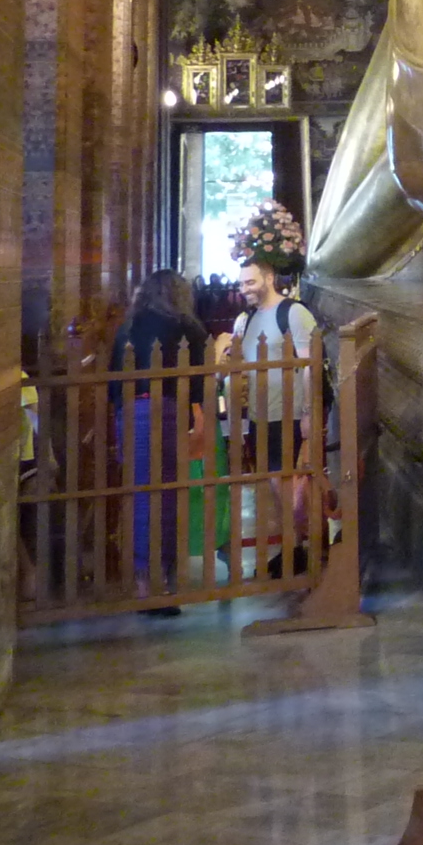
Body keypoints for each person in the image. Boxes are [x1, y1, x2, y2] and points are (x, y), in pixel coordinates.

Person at [220, 202, 321, 578]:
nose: (243, 289)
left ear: (267, 278)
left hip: (291, 412)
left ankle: (304, 544)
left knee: (292, 483)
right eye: (241, 283)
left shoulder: (293, 313)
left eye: (250, 282)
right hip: (260, 414)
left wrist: (311, 413)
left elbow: (311, 366)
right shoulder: (243, 319)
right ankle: (295, 544)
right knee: (273, 484)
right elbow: (237, 367)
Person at [111, 270, 210, 611]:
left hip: (131, 413)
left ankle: (144, 583)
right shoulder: (187, 327)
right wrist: (197, 418)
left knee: (141, 498)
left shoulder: (129, 327)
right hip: (167, 413)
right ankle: (164, 582)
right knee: (168, 497)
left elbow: (114, 381)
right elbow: (198, 382)